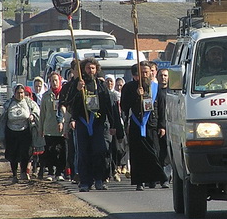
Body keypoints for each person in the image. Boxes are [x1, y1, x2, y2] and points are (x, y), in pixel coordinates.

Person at [65, 58, 116, 192]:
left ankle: (99, 179)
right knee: (83, 153)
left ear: (97, 69)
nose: (90, 71)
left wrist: (112, 124)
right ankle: (85, 182)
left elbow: (107, 104)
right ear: (83, 69)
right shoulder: (77, 83)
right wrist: (77, 90)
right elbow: (68, 102)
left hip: (97, 123)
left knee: (98, 151)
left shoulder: (100, 84)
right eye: (88, 68)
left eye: (93, 68)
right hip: (82, 122)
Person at [121, 61, 167, 191]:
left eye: (146, 72)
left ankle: (158, 179)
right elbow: (124, 107)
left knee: (154, 153)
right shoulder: (129, 87)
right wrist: (136, 95)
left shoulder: (155, 87)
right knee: (138, 155)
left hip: (152, 124)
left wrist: (162, 125)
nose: (144, 75)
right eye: (141, 73)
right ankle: (139, 181)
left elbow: (162, 108)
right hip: (136, 124)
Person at [3, 84, 40, 183]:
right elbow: (3, 113)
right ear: (14, 93)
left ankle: (24, 172)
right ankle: (14, 174)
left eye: (22, 93)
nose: (20, 95)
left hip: (25, 131)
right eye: (18, 93)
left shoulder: (28, 102)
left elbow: (36, 109)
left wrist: (32, 115)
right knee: (13, 154)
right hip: (11, 132)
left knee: (26, 153)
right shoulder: (9, 103)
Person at [39, 72, 66, 181]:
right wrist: (41, 129)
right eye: (52, 81)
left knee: (61, 150)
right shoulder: (46, 96)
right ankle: (50, 172)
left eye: (56, 80)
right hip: (49, 128)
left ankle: (59, 172)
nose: (54, 83)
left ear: (59, 81)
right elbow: (42, 114)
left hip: (61, 128)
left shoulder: (64, 94)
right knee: (50, 151)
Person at [157, 68, 171, 186]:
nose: (163, 77)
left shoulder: (173, 92)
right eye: (161, 75)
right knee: (159, 151)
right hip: (157, 125)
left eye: (165, 75)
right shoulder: (154, 91)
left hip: (170, 125)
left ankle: (166, 177)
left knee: (167, 152)